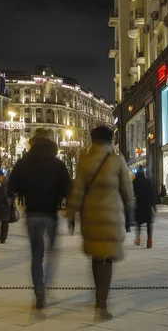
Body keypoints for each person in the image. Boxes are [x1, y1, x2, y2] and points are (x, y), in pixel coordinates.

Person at [67, 126, 132, 321]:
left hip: (91, 215)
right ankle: (102, 304)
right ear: (111, 140)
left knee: (96, 257)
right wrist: (130, 213)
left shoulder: (85, 161)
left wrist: (71, 214)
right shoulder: (117, 160)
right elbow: (127, 191)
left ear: (93, 140)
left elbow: (77, 190)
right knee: (108, 258)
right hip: (112, 214)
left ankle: (98, 299)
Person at [9, 128, 70, 314]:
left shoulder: (23, 162)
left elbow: (12, 186)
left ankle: (39, 292)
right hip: (51, 214)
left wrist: (17, 197)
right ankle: (46, 286)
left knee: (36, 255)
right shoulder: (58, 164)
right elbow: (68, 188)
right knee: (52, 253)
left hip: (33, 213)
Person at [133, 165, 156, 249]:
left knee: (138, 223)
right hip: (147, 206)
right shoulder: (148, 182)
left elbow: (132, 193)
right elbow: (152, 194)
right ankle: (149, 240)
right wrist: (153, 205)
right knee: (149, 224)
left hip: (139, 205)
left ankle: (138, 238)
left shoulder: (135, 182)